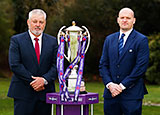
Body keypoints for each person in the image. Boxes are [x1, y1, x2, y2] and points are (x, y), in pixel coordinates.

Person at [99, 7, 149, 115]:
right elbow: (103, 65)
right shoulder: (109, 39)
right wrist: (110, 85)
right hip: (110, 94)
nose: (124, 20)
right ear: (118, 20)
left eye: (128, 18)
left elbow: (140, 67)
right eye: (122, 17)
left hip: (131, 95)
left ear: (134, 20)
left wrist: (121, 86)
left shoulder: (141, 40)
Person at [7, 9, 58, 115]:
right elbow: (15, 64)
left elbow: (57, 65)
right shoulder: (16, 40)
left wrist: (44, 80)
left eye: (41, 22)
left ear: (45, 23)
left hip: (45, 94)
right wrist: (35, 82)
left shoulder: (53, 42)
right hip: (23, 93)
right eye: (35, 21)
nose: (38, 25)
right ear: (28, 22)